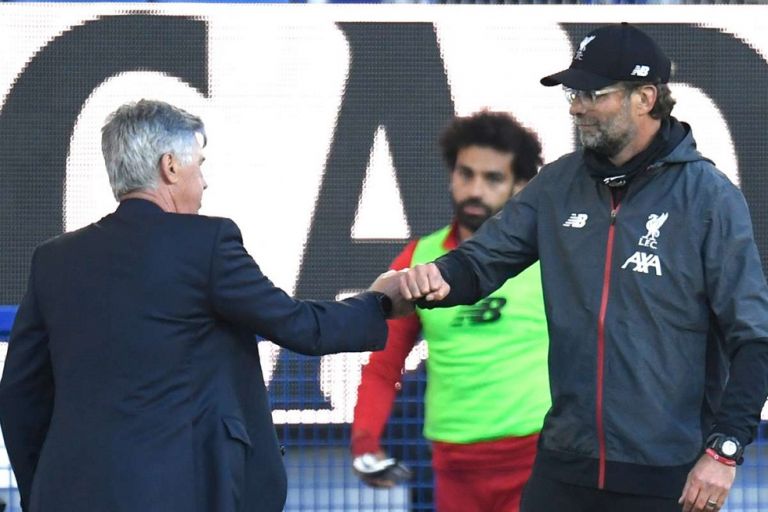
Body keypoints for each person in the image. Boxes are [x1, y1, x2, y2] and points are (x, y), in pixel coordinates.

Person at [398, 23, 768, 512]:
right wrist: (433, 278)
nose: (576, 107)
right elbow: (481, 261)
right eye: (574, 93)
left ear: (645, 98)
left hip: (667, 473)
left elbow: (754, 338)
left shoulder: (709, 197)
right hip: (563, 464)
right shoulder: (557, 185)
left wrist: (724, 450)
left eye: (594, 94)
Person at [0, 99, 410, 512]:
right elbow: (300, 325)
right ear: (170, 167)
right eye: (199, 164)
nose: (204, 182)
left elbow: (18, 395)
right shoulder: (206, 245)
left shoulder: (54, 261)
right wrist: (378, 303)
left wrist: (43, 492)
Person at [351, 111, 549, 512]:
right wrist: (365, 442)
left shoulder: (552, 254)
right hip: (454, 467)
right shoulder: (419, 260)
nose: (475, 190)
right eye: (466, 174)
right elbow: (383, 364)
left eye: (492, 178)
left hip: (539, 460)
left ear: (520, 186)